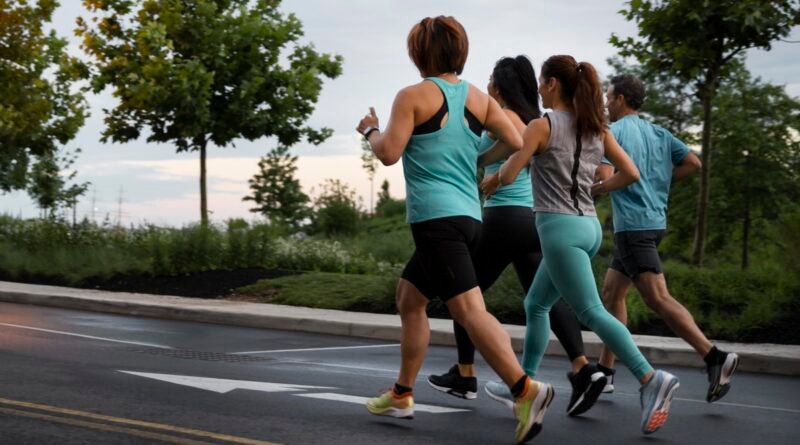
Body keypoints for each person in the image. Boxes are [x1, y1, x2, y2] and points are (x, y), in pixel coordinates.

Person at [356, 16, 553, 444]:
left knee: (468, 310)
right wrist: (478, 161)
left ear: (418, 53)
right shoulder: (479, 99)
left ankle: (525, 390)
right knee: (410, 297)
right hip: (469, 217)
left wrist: (370, 129)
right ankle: (403, 393)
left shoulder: (412, 96)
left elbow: (389, 153)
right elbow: (518, 140)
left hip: (435, 221)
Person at [484, 55, 679, 435]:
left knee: (591, 311)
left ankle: (650, 378)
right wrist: (597, 188)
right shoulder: (596, 127)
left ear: (553, 84)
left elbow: (509, 171)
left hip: (558, 229)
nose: (538, 88)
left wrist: (490, 182)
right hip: (589, 227)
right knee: (536, 303)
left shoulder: (543, 126)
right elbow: (631, 173)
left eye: (542, 81)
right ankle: (524, 384)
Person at [426, 55, 605, 417]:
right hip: (533, 222)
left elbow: (497, 149)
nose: (488, 84)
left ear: (501, 85)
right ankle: (582, 366)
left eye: (492, 79)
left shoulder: (506, 118)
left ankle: (465, 374)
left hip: (504, 219)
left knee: (464, 294)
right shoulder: (534, 119)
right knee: (544, 300)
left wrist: (478, 161)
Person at [595, 74, 738, 402]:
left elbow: (603, 177)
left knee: (657, 298)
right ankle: (606, 370)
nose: (605, 102)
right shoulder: (658, 132)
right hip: (654, 223)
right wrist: (659, 181)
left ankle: (714, 355)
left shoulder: (613, 133)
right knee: (612, 293)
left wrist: (593, 186)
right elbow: (693, 163)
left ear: (620, 99)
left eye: (608, 97)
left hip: (633, 227)